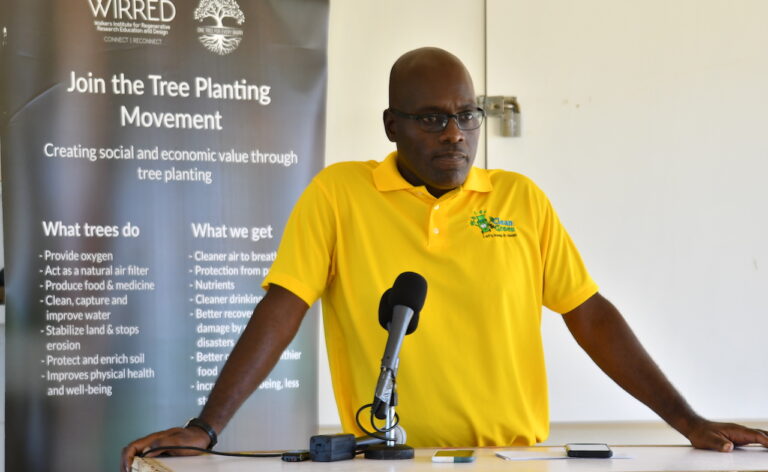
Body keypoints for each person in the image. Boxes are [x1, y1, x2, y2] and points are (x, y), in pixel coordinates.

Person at [122, 47, 768, 471]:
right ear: (391, 125)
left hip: (514, 460)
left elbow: (590, 315)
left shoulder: (519, 198)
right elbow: (284, 305)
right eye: (431, 119)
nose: (455, 133)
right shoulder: (340, 194)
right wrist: (208, 426)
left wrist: (687, 420)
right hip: (392, 458)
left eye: (467, 115)